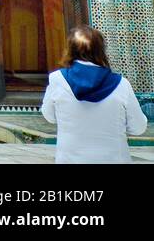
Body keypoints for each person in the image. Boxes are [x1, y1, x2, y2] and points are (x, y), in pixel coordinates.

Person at [42, 25, 148, 164]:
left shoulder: (57, 80)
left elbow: (49, 116)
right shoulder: (121, 84)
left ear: (70, 50)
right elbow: (138, 127)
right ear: (101, 50)